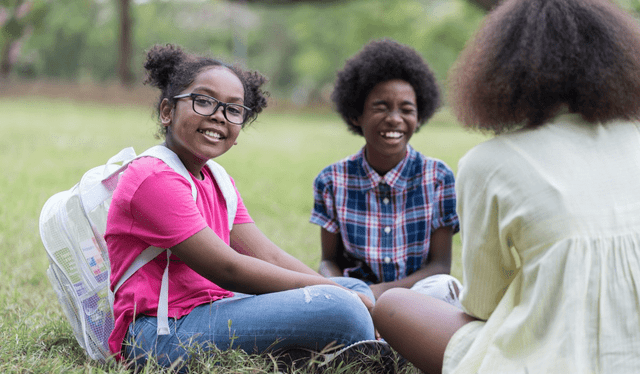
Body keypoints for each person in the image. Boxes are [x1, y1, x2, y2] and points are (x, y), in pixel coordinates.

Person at [372, 0, 640, 373]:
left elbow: (483, 305)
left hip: (542, 361)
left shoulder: (489, 162)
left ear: (501, 71)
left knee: (395, 305)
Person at [105, 44, 380, 371]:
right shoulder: (153, 177)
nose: (219, 115)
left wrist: (338, 290)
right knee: (342, 307)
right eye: (203, 101)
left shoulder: (218, 179)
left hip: (209, 311)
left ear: (238, 132)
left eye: (233, 109)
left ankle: (316, 356)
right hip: (158, 335)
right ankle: (363, 358)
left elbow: (271, 257)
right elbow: (229, 269)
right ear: (167, 111)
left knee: (353, 289)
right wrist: (335, 295)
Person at [310, 38, 462, 302]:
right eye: (381, 107)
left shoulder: (438, 177)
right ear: (357, 115)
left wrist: (378, 293)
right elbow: (328, 261)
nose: (394, 118)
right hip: (355, 299)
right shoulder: (331, 181)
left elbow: (440, 266)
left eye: (407, 109)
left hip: (414, 296)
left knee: (446, 287)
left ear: (420, 116)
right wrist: (344, 293)